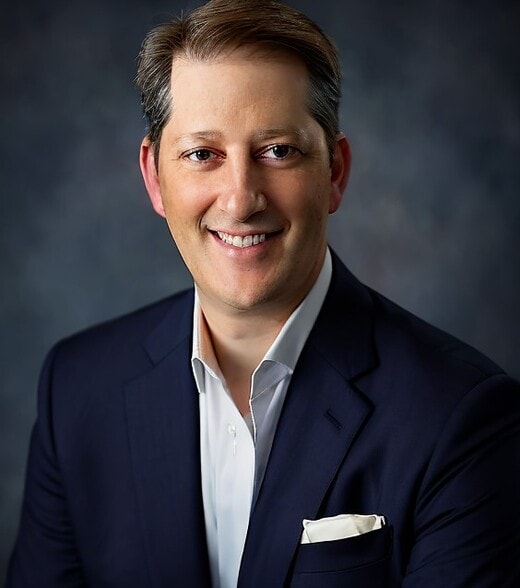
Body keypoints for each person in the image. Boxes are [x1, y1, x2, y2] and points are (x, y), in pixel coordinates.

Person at [7, 0, 520, 586]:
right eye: (203, 154)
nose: (240, 198)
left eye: (278, 150)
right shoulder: (77, 389)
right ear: (154, 177)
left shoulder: (461, 417)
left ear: (334, 172)